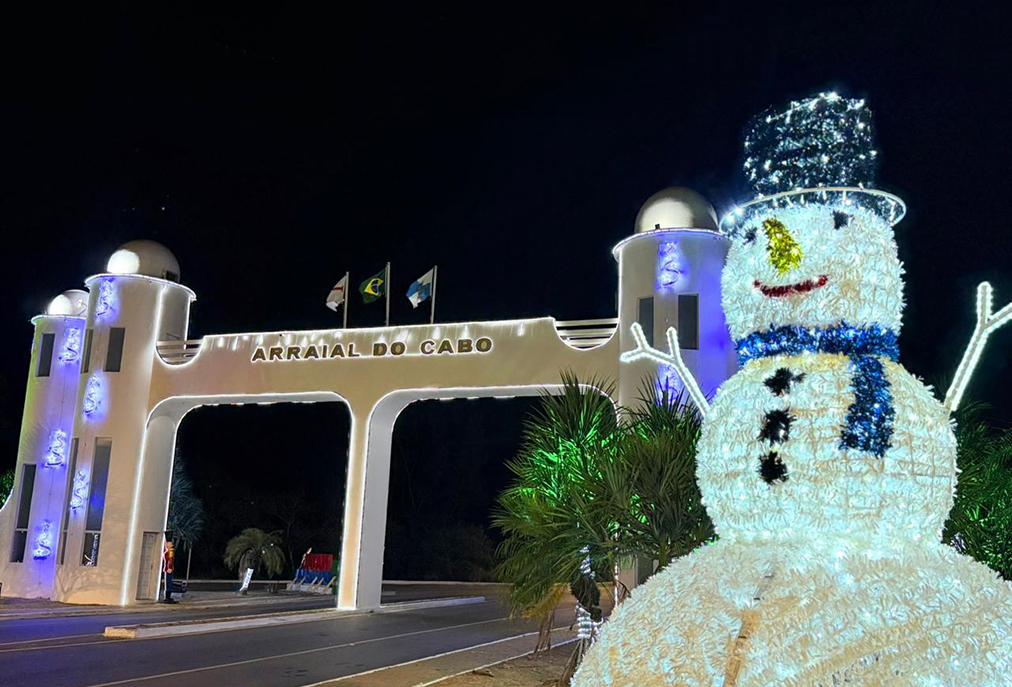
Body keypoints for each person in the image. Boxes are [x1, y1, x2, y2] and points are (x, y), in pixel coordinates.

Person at [163, 538, 176, 604]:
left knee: (168, 583)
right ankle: (167, 597)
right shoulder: (168, 551)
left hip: (168, 569)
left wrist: (169, 568)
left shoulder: (170, 551)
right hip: (167, 568)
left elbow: (170, 560)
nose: (166, 544)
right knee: (168, 582)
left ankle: (168, 597)